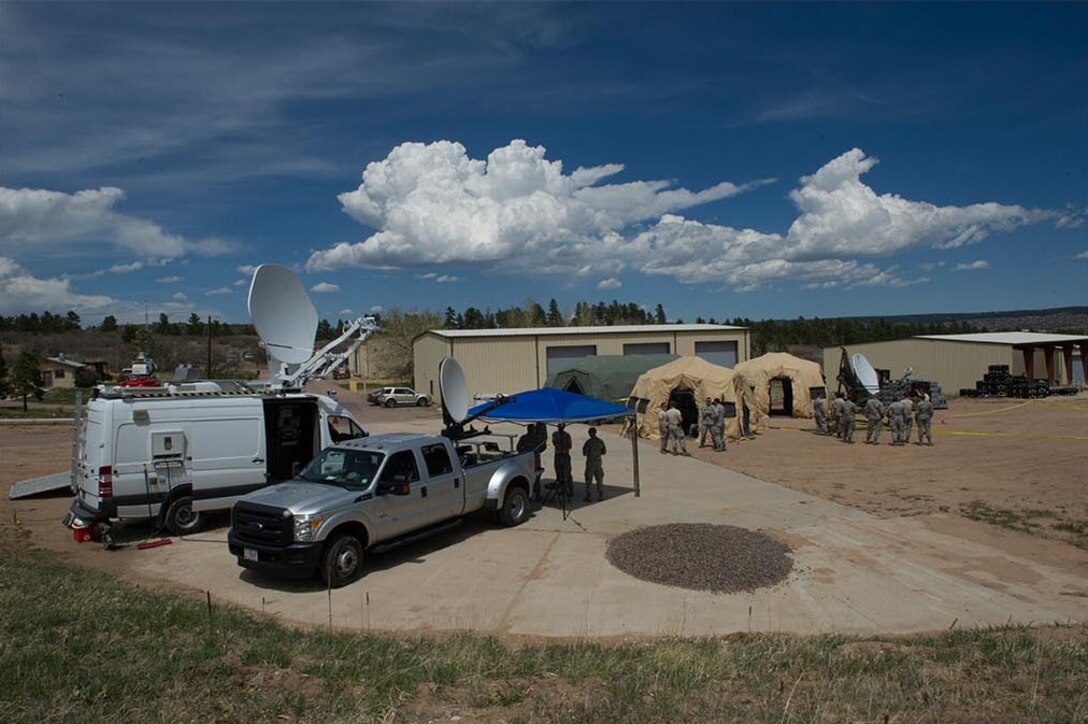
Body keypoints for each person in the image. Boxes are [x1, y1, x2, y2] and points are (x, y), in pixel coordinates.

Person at [582, 427, 607, 501]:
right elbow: (604, 452)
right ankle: (601, 495)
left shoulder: (588, 442)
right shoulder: (600, 441)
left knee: (589, 479)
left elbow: (584, 453)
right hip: (598, 462)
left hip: (590, 463)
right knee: (599, 479)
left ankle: (588, 496)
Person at [551, 423, 573, 496]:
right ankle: (561, 489)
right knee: (558, 472)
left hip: (564, 454)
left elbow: (569, 446)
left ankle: (570, 489)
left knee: (567, 473)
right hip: (558, 454)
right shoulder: (555, 434)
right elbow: (554, 443)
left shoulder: (566, 435)